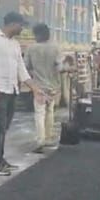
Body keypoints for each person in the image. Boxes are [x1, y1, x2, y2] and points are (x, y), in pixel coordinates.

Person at [0, 12, 31, 176]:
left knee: (4, 127)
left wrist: (35, 88)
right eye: (21, 25)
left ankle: (1, 159)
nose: (22, 28)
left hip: (12, 90)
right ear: (12, 24)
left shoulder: (15, 44)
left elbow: (21, 68)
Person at [24, 23, 63, 153]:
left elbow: (26, 67)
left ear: (37, 35)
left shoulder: (31, 49)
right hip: (52, 86)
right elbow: (59, 68)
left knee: (39, 113)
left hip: (39, 87)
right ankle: (48, 137)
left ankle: (40, 141)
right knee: (50, 111)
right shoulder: (55, 48)